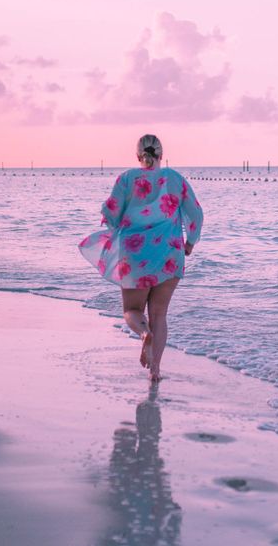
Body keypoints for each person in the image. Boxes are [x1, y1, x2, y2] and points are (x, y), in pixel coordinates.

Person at [78, 134, 203, 382]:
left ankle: (143, 333)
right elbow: (196, 215)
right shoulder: (176, 179)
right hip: (170, 254)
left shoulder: (126, 179)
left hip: (135, 254)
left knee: (132, 310)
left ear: (138, 156)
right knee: (160, 314)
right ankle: (155, 370)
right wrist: (190, 242)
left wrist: (116, 226)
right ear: (161, 155)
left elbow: (111, 212)